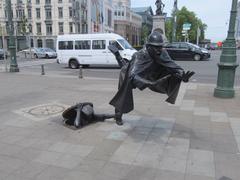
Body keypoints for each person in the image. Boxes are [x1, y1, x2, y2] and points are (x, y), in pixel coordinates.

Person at [108, 31, 195, 125]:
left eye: (160, 47)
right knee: (123, 94)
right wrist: (148, 83)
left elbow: (173, 66)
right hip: (129, 74)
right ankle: (118, 116)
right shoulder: (139, 56)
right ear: (148, 46)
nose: (159, 50)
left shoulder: (162, 52)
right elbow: (132, 75)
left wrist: (182, 75)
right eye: (156, 47)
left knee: (172, 73)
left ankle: (118, 56)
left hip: (147, 74)